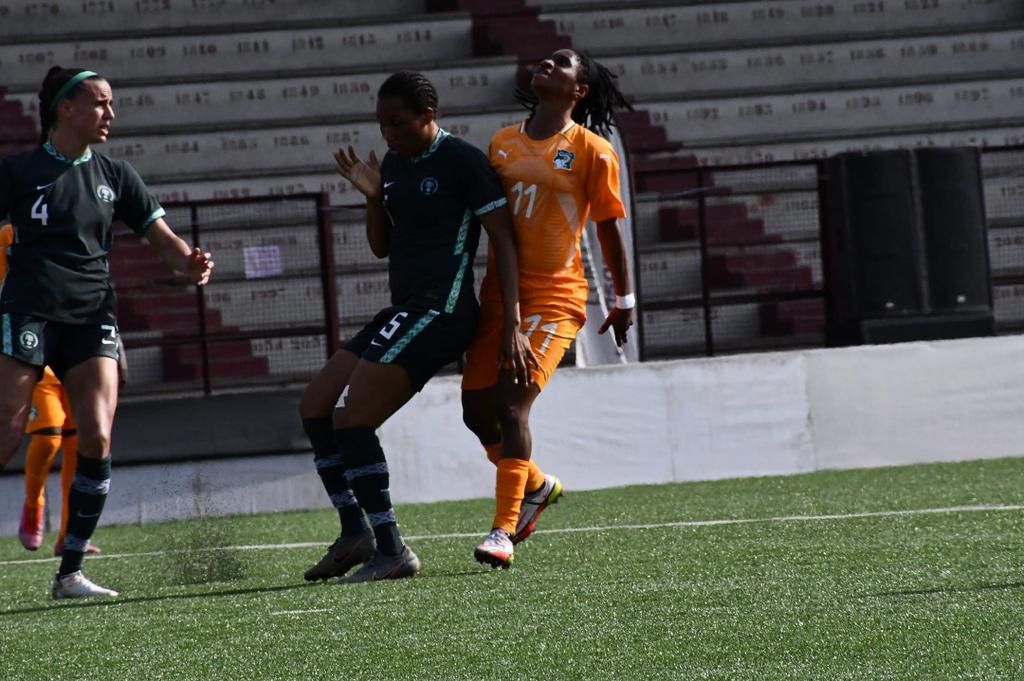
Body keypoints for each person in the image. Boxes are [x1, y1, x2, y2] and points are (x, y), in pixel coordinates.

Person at [298, 71, 530, 583]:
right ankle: (354, 530)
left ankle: (391, 549)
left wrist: (512, 322)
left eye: (397, 124)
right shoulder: (395, 165)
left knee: (352, 419)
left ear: (429, 115)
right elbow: (382, 247)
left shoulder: (463, 161)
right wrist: (372, 198)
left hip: (443, 311)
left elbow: (503, 241)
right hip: (405, 309)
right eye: (381, 124)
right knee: (315, 405)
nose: (388, 134)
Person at [0, 67, 213, 599]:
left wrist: (190, 264)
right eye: (100, 103)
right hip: (28, 312)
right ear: (65, 109)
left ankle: (70, 572)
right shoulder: (19, 171)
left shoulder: (116, 174)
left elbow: (165, 241)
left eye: (111, 103)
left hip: (92, 314)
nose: (110, 114)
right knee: (7, 431)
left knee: (95, 436)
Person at [462, 49, 635, 568]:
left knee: (511, 406)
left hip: (556, 296)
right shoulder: (501, 142)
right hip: (500, 294)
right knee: (476, 412)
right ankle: (536, 486)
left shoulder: (593, 151)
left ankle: (502, 531)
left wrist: (623, 298)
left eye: (561, 63)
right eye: (546, 60)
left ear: (578, 90)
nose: (547, 63)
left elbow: (607, 229)